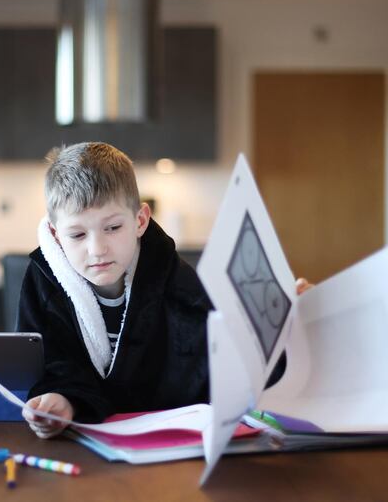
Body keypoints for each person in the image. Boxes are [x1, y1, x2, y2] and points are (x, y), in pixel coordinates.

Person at [18, 142, 311, 439]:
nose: (97, 249)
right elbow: (46, 363)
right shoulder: (42, 281)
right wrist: (61, 400)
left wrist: (284, 325)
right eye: (78, 234)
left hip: (169, 442)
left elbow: (222, 361)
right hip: (81, 442)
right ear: (56, 234)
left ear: (140, 220)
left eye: (113, 228)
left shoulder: (173, 278)